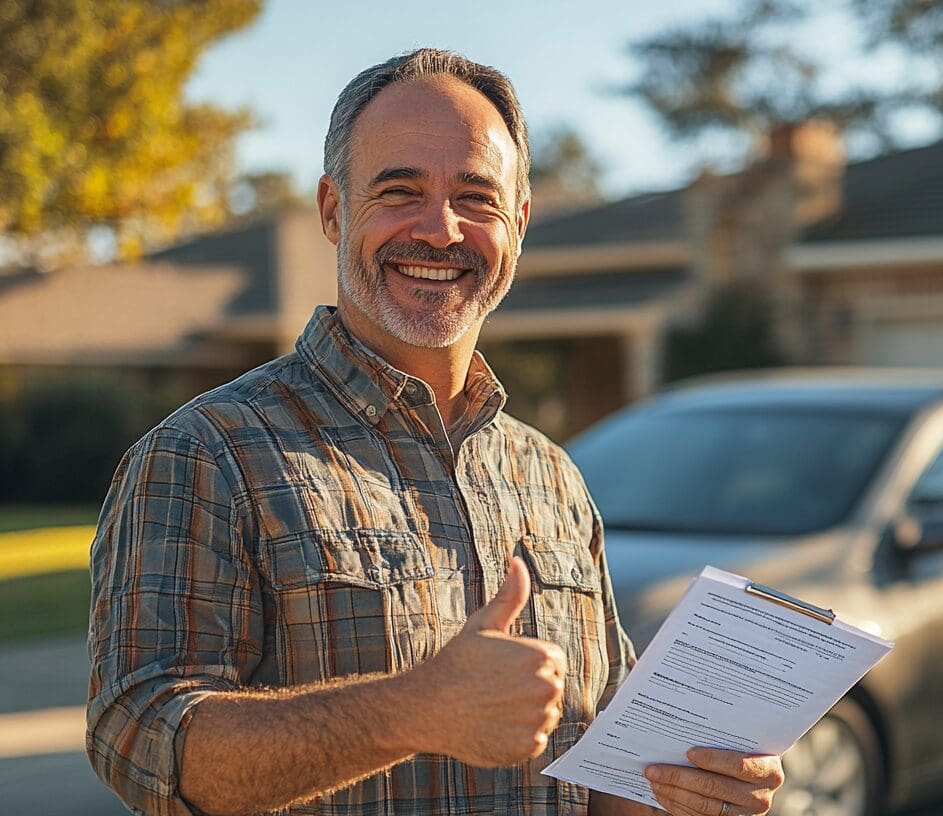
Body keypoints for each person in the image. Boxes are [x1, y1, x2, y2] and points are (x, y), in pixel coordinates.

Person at [86, 48, 784, 816]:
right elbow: (142, 742)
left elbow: (598, 774)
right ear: (332, 209)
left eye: (477, 198)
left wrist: (688, 787)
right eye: (399, 191)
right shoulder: (206, 454)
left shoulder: (551, 476)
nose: (441, 229)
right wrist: (411, 710)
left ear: (518, 224)